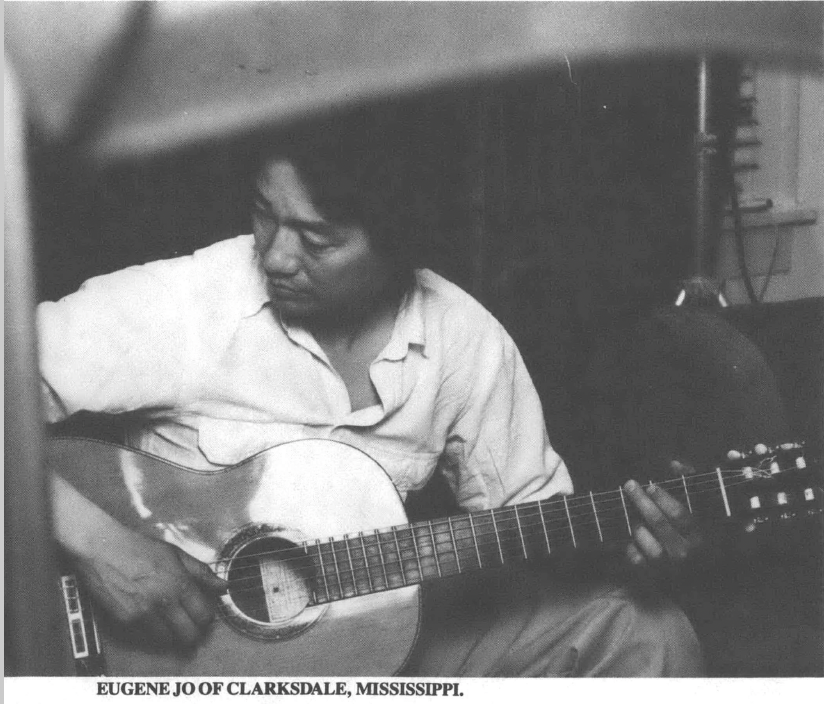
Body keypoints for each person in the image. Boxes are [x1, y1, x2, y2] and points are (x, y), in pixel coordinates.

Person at [39, 109, 703, 676]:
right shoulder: (188, 303)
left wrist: (630, 543)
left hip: (373, 648)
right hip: (183, 664)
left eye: (319, 240)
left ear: (401, 243)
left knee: (649, 634)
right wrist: (99, 541)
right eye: (267, 215)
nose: (275, 258)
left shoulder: (463, 340)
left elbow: (536, 520)